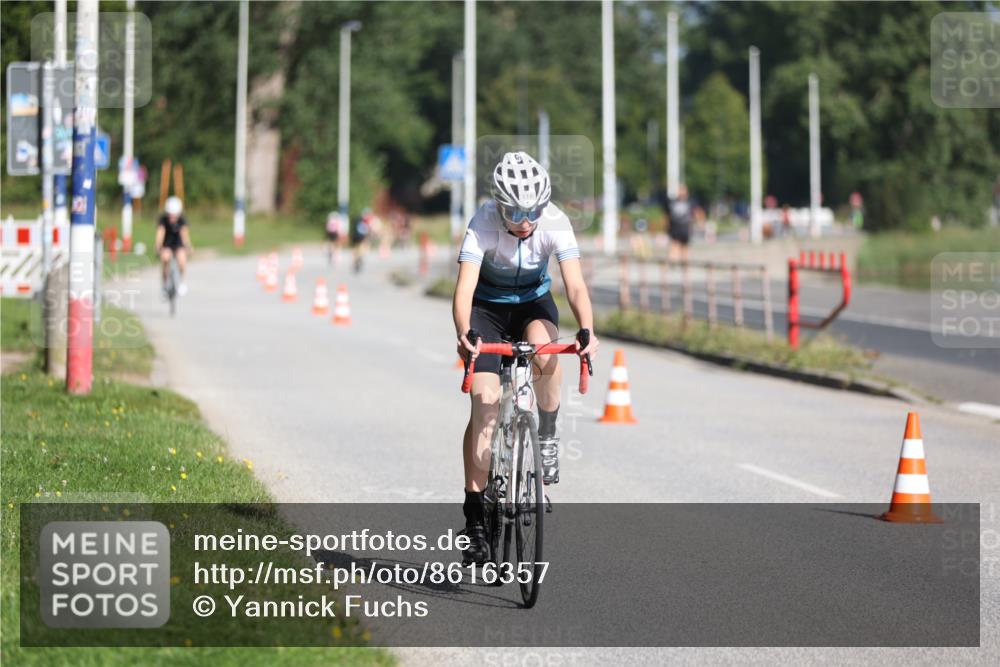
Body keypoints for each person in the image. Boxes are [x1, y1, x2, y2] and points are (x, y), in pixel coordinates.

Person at [453, 151, 599, 565]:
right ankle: (475, 516)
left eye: (533, 209)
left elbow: (575, 285)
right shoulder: (482, 223)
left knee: (548, 354)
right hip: (487, 310)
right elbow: (464, 290)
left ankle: (547, 434)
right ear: (499, 206)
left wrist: (586, 329)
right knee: (484, 405)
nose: (526, 220)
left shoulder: (554, 222)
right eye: (516, 211)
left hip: (534, 305)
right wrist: (465, 334)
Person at [155, 196, 192, 296]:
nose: (173, 217)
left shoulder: (182, 220)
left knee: (182, 258)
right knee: (165, 258)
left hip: (178, 244)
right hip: (166, 244)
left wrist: (188, 246)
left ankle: (182, 282)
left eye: (175, 215)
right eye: (171, 214)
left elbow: (184, 234)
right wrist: (158, 246)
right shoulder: (163, 220)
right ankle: (164, 285)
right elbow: (160, 234)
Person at [663, 183, 692, 263]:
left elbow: (695, 213)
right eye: (680, 190)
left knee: (685, 248)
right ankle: (672, 263)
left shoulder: (690, 201)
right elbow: (667, 215)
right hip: (675, 228)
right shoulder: (672, 202)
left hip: (685, 228)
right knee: (674, 246)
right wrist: (667, 227)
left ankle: (685, 265)